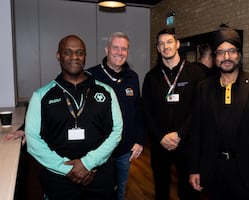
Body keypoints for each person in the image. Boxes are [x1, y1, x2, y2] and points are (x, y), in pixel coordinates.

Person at [25, 35, 123, 200]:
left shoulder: (106, 92)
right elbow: (33, 140)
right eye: (68, 52)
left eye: (80, 52)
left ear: (85, 56)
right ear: (58, 55)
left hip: (100, 176)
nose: (75, 57)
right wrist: (67, 169)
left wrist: (87, 163)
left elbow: (116, 131)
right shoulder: (41, 96)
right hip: (59, 180)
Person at [188, 27, 249, 200]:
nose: (226, 57)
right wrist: (194, 169)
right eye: (220, 52)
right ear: (214, 57)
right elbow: (196, 133)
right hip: (213, 172)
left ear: (239, 54)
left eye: (231, 51)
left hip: (248, 173)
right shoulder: (203, 88)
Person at [141, 28, 207, 200]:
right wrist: (161, 136)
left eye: (169, 41)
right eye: (161, 43)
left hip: (187, 143)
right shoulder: (151, 77)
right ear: (157, 48)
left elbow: (199, 108)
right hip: (160, 144)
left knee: (189, 191)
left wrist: (180, 134)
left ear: (177, 44)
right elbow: (146, 111)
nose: (165, 46)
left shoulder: (196, 73)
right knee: (161, 189)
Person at [88, 32, 145, 200]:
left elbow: (138, 111)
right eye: (115, 48)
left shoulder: (132, 77)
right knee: (100, 192)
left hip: (124, 151)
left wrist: (140, 140)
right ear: (107, 49)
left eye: (124, 49)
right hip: (99, 151)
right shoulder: (90, 76)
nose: (120, 52)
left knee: (120, 191)